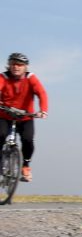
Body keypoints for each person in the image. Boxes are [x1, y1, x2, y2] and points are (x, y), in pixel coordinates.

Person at [0, 53, 48, 182]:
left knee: (28, 140)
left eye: (20, 64)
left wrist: (43, 110)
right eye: (13, 64)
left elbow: (41, 93)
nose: (16, 67)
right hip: (5, 115)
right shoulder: (3, 77)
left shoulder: (31, 78)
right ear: (9, 65)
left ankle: (26, 166)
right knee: (1, 134)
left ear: (25, 67)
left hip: (25, 117)